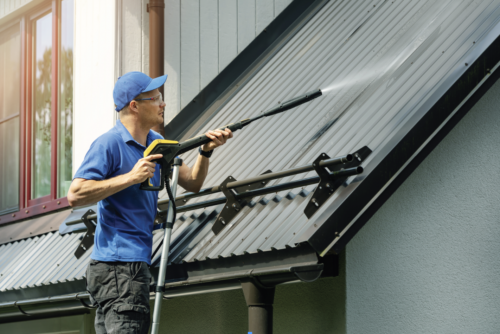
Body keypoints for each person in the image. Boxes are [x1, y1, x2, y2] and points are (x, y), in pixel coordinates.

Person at [67, 71, 233, 334]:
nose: (163, 104)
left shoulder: (157, 143)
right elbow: (76, 194)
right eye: (156, 98)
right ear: (135, 105)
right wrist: (131, 177)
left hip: (126, 267)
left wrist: (206, 151)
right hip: (119, 268)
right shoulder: (109, 144)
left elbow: (192, 182)